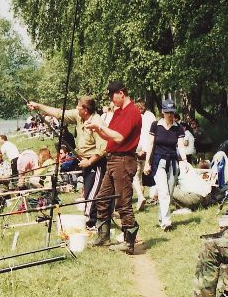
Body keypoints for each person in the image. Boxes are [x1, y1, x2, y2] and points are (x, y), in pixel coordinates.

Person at [27, 96, 107, 226]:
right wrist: (39, 106)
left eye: (78, 106)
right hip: (84, 161)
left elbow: (103, 148)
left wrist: (89, 162)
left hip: (96, 163)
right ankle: (93, 221)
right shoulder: (79, 116)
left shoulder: (97, 122)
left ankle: (90, 222)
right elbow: (60, 113)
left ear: (85, 110)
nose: (76, 108)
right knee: (87, 191)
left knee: (91, 195)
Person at [85, 81, 143, 254]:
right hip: (112, 160)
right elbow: (109, 135)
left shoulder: (132, 112)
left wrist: (100, 126)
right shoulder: (118, 112)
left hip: (123, 160)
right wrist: (97, 129)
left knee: (123, 202)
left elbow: (119, 137)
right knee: (102, 198)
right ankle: (103, 236)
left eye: (112, 96)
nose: (111, 100)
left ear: (121, 93)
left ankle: (129, 242)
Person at [143, 99, 186, 230]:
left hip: (173, 163)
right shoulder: (155, 125)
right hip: (158, 162)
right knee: (164, 192)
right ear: (162, 112)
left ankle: (162, 217)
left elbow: (181, 146)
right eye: (167, 112)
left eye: (172, 112)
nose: (170, 115)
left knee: (169, 193)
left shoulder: (178, 128)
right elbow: (150, 144)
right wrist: (147, 163)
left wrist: (184, 162)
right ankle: (167, 222)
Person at [133, 99, 157, 211]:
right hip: (149, 150)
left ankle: (140, 195)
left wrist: (140, 150)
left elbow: (142, 134)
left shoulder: (139, 117)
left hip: (140, 149)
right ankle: (144, 197)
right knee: (142, 175)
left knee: (135, 176)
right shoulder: (151, 116)